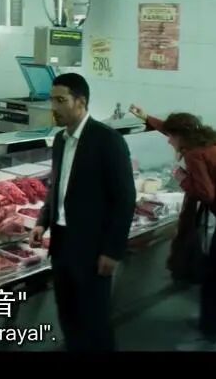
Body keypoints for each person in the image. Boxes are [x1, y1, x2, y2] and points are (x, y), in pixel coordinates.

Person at [129, 105, 216, 351]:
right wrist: (146, 117)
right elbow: (171, 129)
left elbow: (205, 194)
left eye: (170, 137)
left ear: (181, 136)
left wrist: (180, 177)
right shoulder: (205, 140)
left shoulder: (194, 154)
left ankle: (209, 334)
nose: (168, 141)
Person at [29, 73, 136, 352]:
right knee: (68, 314)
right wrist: (42, 222)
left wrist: (112, 250)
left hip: (92, 247)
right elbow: (57, 186)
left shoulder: (107, 140)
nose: (54, 107)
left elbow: (125, 199)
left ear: (81, 101)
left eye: (61, 100)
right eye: (52, 100)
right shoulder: (60, 140)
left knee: (94, 320)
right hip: (61, 244)